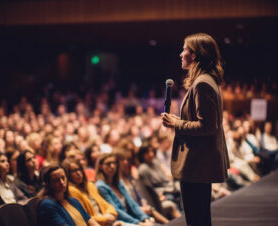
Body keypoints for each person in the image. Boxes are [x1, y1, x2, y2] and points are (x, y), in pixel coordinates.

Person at [161, 33, 230, 226]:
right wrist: (178, 120)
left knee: (196, 219)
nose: (181, 54)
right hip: (200, 162)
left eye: (185, 50)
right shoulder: (208, 80)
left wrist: (177, 124)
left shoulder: (202, 84)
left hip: (197, 163)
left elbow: (207, 126)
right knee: (199, 217)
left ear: (196, 55)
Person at [96, 153, 154, 225]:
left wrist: (145, 218)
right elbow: (116, 211)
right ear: (101, 166)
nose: (112, 166)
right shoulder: (101, 186)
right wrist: (139, 223)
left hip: (132, 218)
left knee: (152, 220)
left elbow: (132, 204)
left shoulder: (118, 182)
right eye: (108, 164)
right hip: (121, 222)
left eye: (114, 163)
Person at [61, 159, 118, 226]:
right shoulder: (71, 191)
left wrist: (111, 213)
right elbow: (84, 217)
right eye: (74, 171)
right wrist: (105, 219)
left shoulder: (89, 185)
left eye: (80, 169)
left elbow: (105, 203)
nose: (79, 173)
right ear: (67, 174)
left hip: (107, 220)